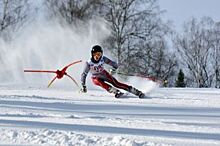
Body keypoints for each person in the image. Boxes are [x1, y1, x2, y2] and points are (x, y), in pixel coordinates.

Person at [80, 45, 145, 98]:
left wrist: (113, 69)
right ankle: (116, 91)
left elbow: (114, 64)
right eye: (95, 54)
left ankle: (136, 92)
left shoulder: (103, 59)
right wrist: (83, 85)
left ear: (101, 54)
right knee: (99, 82)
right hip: (95, 77)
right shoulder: (88, 63)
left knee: (116, 84)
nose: (97, 56)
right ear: (92, 54)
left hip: (104, 74)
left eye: (99, 54)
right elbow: (84, 75)